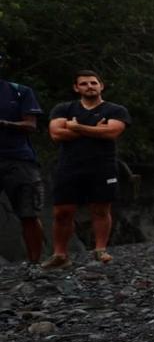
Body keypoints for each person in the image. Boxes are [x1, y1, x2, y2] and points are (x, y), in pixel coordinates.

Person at [43, 70, 130, 268]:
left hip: (102, 165)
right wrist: (94, 129)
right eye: (84, 84)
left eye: (93, 83)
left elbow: (111, 132)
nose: (89, 86)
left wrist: (77, 127)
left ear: (101, 85)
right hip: (69, 166)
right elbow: (56, 134)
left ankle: (100, 250)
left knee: (100, 209)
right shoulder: (64, 108)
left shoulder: (115, 110)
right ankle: (60, 255)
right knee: (62, 212)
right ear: (76, 88)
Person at [0, 55, 46, 263]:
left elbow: (31, 125)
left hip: (18, 159)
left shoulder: (19, 91)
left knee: (29, 213)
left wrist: (5, 124)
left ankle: (35, 263)